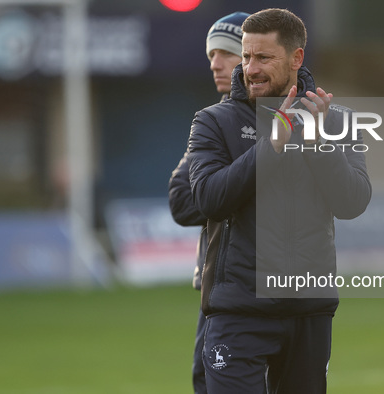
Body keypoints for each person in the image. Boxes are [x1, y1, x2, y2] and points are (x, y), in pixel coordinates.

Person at [187, 8, 372, 393]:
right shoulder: (211, 122)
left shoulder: (336, 122)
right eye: (248, 56)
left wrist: (319, 144)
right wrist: (271, 146)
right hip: (238, 312)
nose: (250, 69)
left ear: (296, 58)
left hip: (308, 311)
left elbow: (352, 201)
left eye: (264, 58)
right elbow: (209, 199)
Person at [168, 11, 249, 394]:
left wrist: (222, 188)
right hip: (218, 288)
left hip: (279, 288)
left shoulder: (295, 118)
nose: (215, 63)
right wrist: (239, 190)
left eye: (225, 53)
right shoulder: (212, 122)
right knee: (207, 381)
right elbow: (183, 202)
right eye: (211, 54)